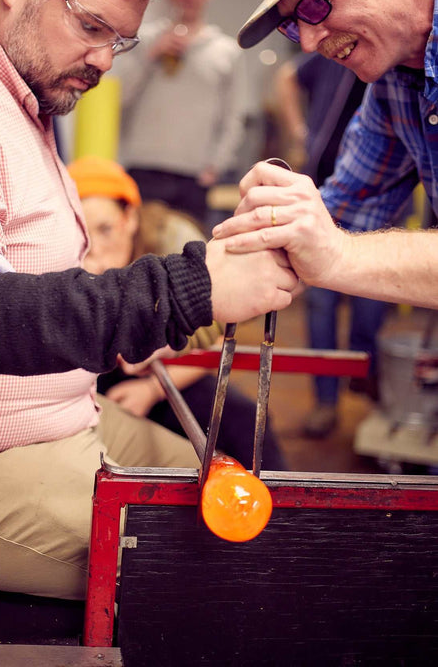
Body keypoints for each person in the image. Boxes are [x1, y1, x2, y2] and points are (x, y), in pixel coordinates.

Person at [0, 0, 298, 601]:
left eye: (118, 40)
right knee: (216, 569)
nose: (105, 60)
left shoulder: (15, 89)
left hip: (56, 417)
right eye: (91, 26)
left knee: (237, 485)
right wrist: (190, 287)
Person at [213, 0, 438, 312]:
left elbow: (332, 244)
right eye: (292, 24)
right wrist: (190, 301)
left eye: (316, 2)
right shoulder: (396, 84)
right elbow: (344, 207)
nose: (312, 42)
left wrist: (336, 255)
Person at [68, 155, 287, 471]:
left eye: (105, 229)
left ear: (129, 217)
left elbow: (220, 336)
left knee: (245, 421)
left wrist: (152, 389)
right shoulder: (62, 250)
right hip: (91, 373)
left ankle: (283, 513)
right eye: (83, 237)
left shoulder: (174, 240)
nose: (96, 249)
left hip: (170, 364)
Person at [273, 53, 389, 437]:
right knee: (320, 305)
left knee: (371, 302)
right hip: (326, 194)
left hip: (381, 203)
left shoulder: (396, 71)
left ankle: (366, 376)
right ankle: (326, 401)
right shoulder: (335, 53)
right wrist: (299, 133)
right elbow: (287, 76)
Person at [115, 0, 246, 229]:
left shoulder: (226, 52)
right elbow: (117, 97)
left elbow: (233, 116)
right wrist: (151, 55)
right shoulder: (145, 39)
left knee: (185, 256)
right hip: (142, 168)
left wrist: (216, 165)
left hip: (194, 175)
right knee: (138, 255)